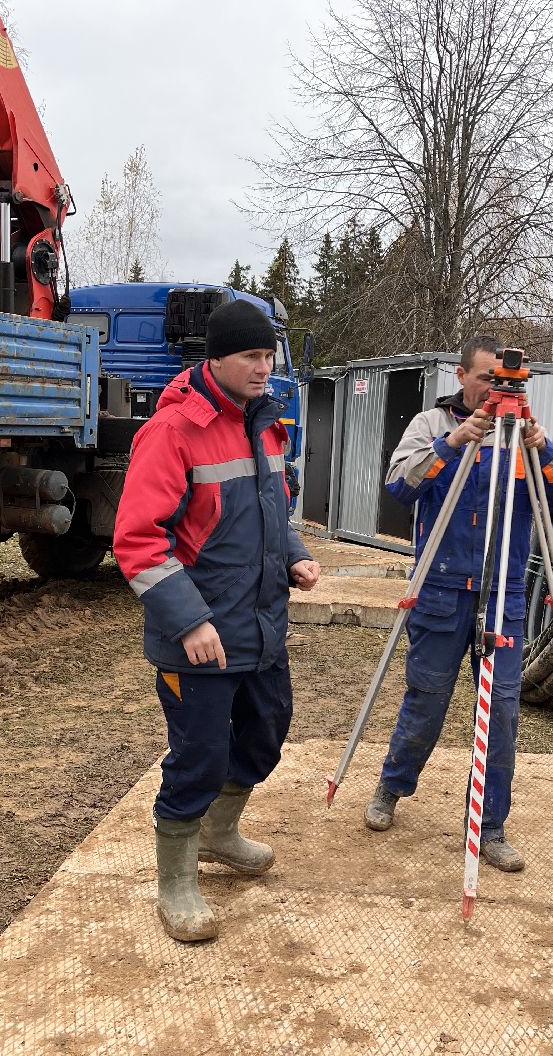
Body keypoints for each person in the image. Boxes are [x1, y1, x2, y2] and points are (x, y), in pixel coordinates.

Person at [114, 298, 321, 943]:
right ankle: (176, 878)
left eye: (269, 356)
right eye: (251, 357)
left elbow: (270, 514)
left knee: (265, 736)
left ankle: (218, 832)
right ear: (217, 360)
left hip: (260, 626)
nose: (264, 368)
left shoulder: (266, 424)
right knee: (200, 756)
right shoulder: (173, 431)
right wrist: (189, 622)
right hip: (199, 637)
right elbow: (137, 540)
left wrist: (295, 554)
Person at [363, 335, 553, 872]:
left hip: (503, 594)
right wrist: (453, 443)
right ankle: (392, 787)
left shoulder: (525, 436)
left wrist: (543, 449)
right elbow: (399, 486)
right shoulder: (430, 425)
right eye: (488, 378)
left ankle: (489, 826)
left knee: (501, 712)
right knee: (426, 701)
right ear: (461, 376)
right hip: (440, 590)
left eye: (507, 381)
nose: (497, 389)